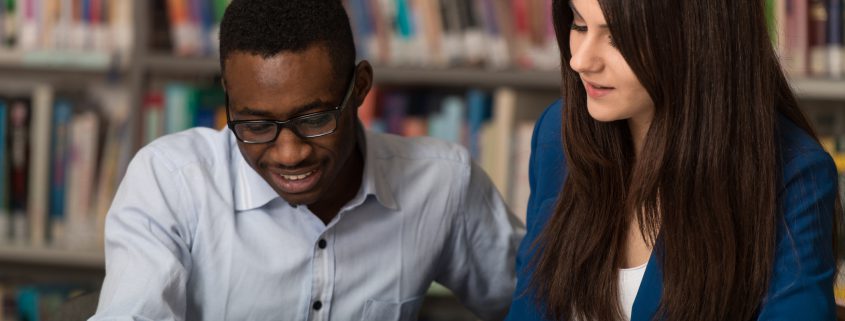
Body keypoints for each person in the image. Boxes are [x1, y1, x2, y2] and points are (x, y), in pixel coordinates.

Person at [90, 1, 523, 320]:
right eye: (256, 124)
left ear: (360, 88)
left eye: (315, 119)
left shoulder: (443, 183)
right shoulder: (170, 182)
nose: (290, 152)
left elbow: (538, 303)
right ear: (229, 96)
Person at [505, 0, 840, 320]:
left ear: (698, 40)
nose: (581, 60)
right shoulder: (556, 135)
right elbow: (529, 308)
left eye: (618, 38)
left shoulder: (795, 176)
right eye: (579, 24)